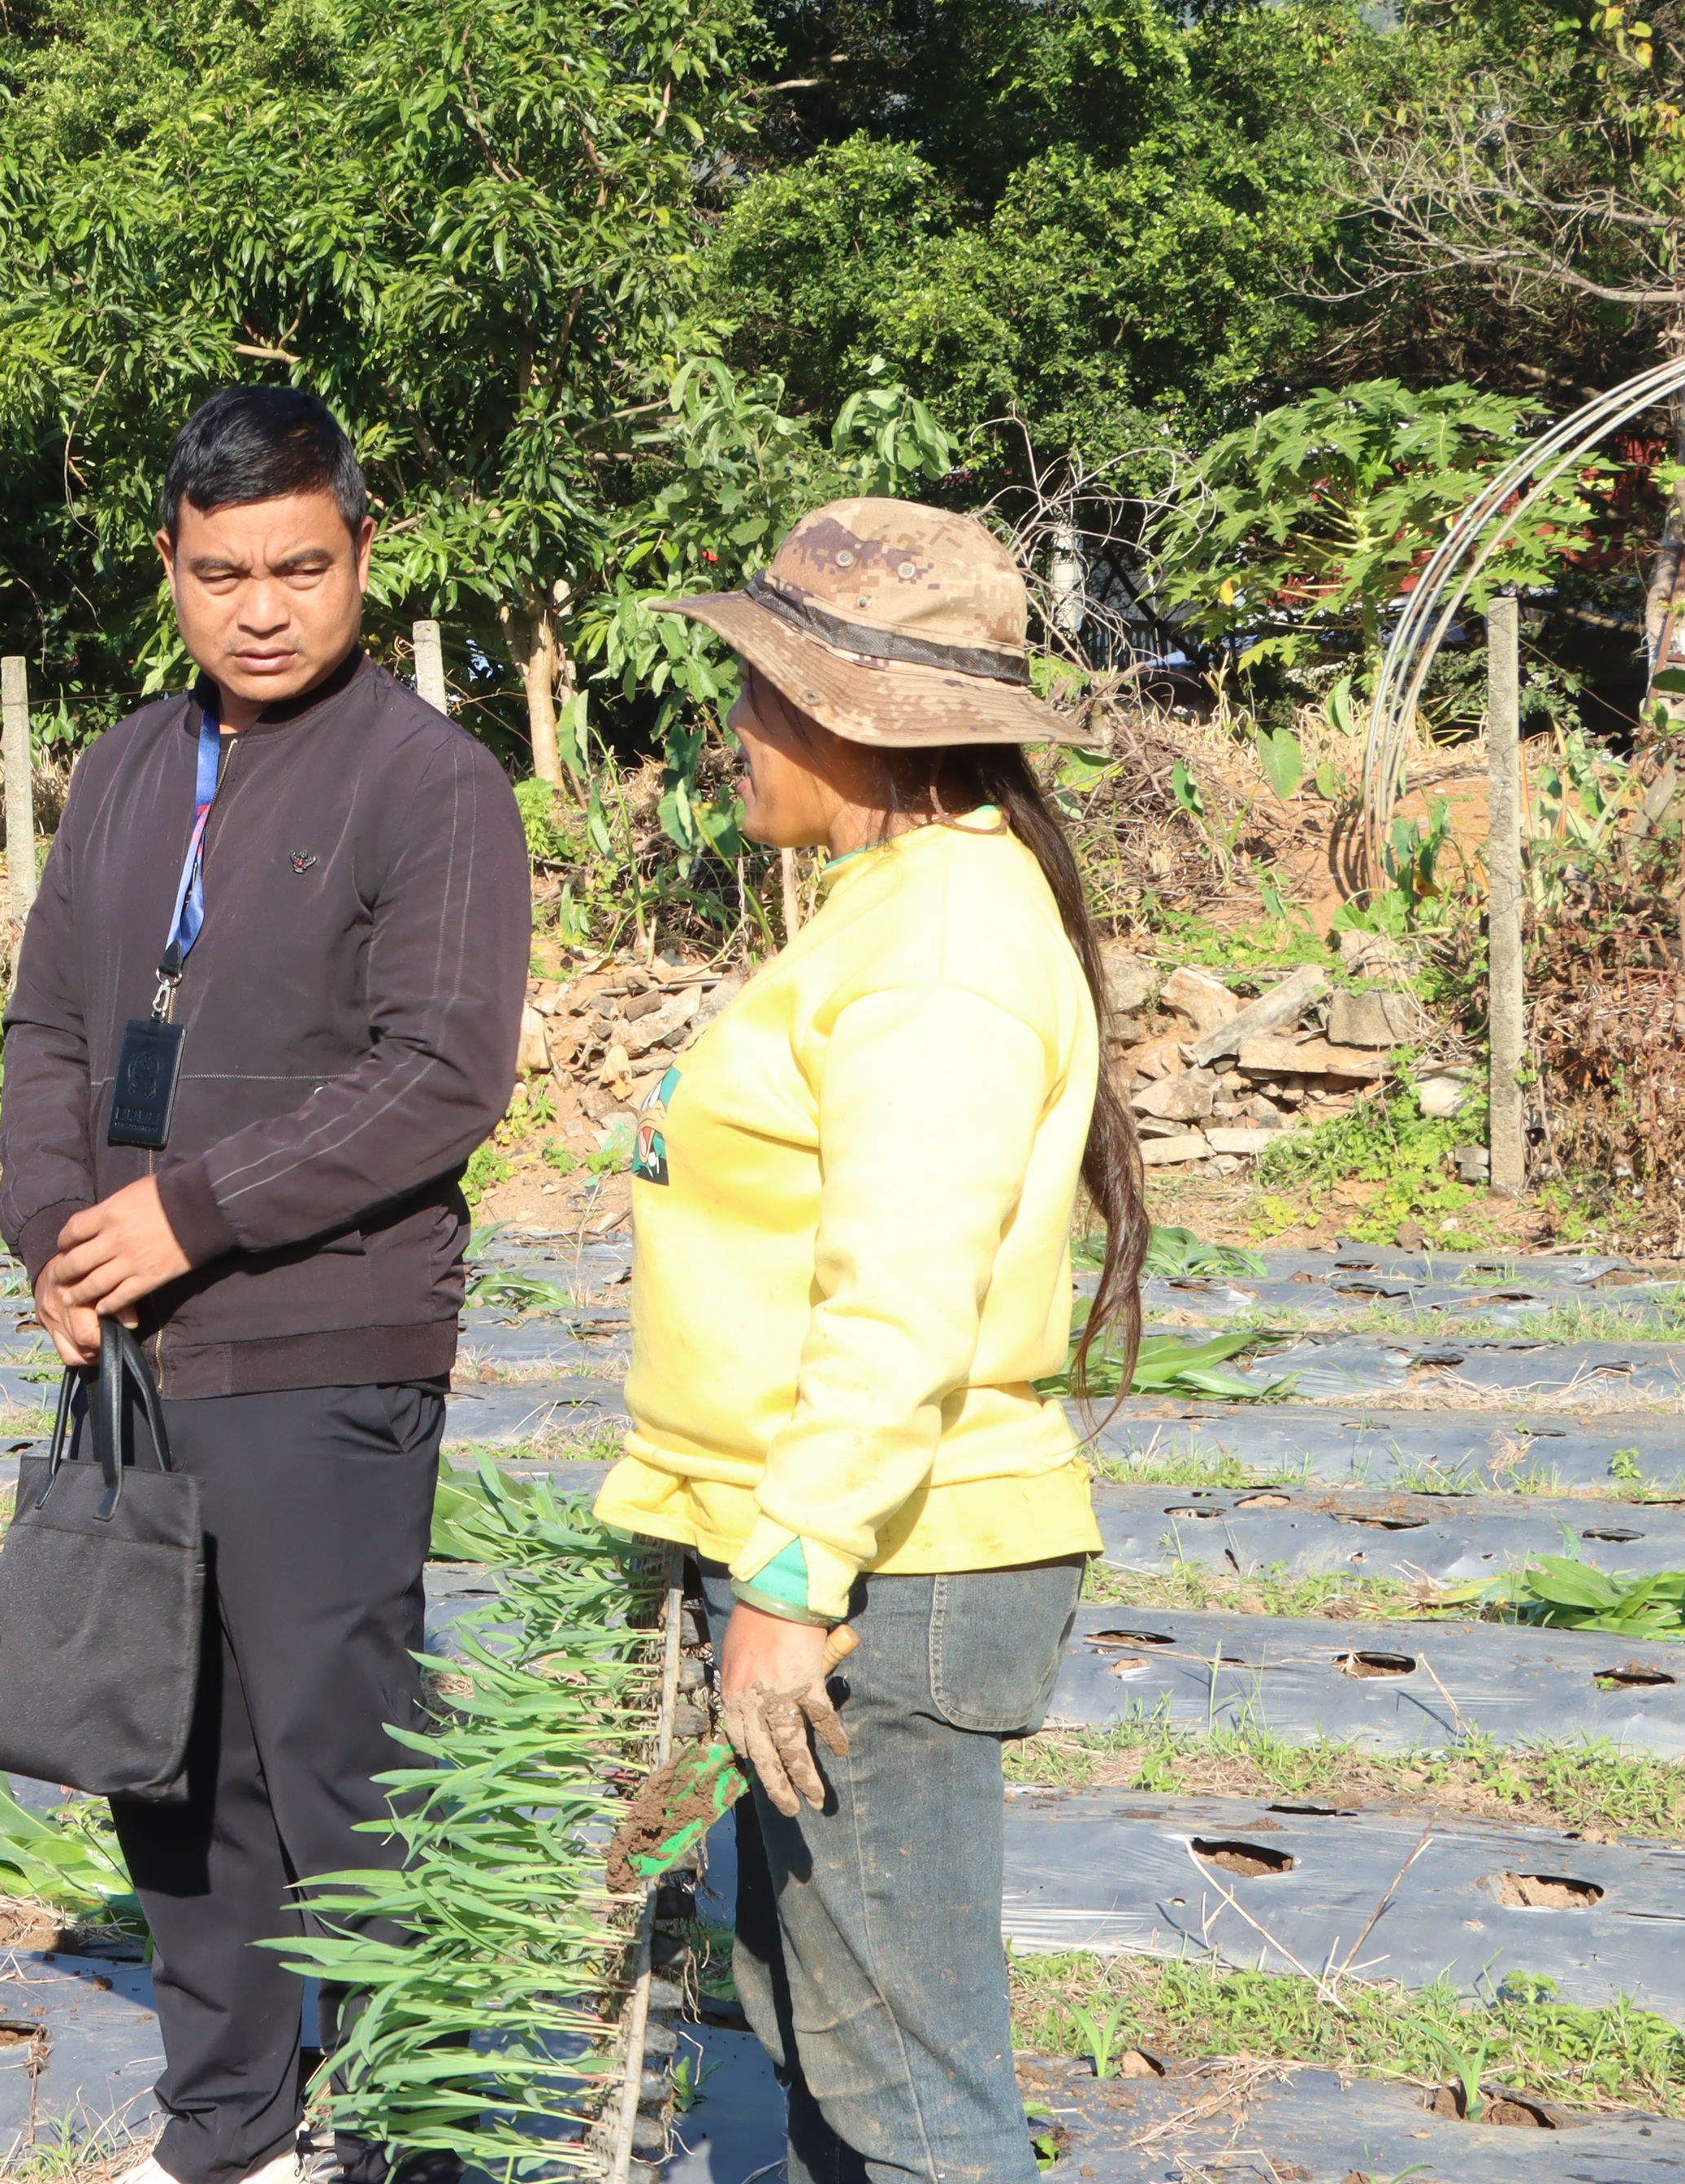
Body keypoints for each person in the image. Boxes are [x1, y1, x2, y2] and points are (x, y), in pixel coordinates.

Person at [0, 385, 530, 2184]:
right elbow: (56, 1026)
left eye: (304, 566)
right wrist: (55, 1231)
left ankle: (399, 2136)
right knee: (170, 1745)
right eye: (223, 572)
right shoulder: (133, 767)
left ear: (363, 554)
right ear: (170, 567)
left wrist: (191, 1214)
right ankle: (226, 2129)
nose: (266, 609)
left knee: (338, 1753)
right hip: (136, 1352)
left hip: (325, 1340)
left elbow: (440, 1072)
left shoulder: (432, 785)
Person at [597, 499, 1143, 2184]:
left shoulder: (946, 947)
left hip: (887, 1582)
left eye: (761, 691)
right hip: (842, 1563)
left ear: (862, 722)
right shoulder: (894, 905)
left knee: (911, 2100)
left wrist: (791, 1579)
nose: (733, 727)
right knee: (826, 2038)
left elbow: (901, 1302)